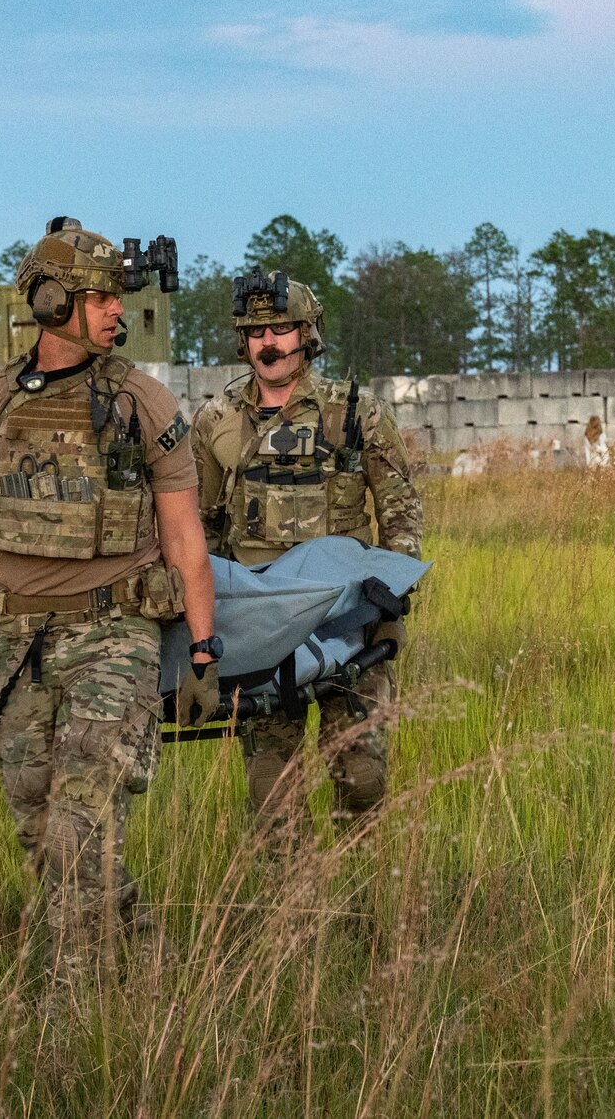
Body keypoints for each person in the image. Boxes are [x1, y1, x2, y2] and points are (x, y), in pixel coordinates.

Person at [0, 217, 219, 983]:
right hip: (18, 640)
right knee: (38, 822)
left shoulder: (145, 405)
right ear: (53, 297)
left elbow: (186, 538)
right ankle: (145, 954)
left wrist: (202, 652)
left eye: (116, 300)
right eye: (100, 298)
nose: (115, 313)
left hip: (113, 634)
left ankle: (72, 1014)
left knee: (81, 829)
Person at [189, 270, 421, 830]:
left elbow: (401, 515)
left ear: (307, 333)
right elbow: (200, 532)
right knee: (273, 797)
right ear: (242, 340)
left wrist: (393, 607)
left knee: (361, 778)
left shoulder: (357, 415)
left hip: (347, 620)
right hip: (261, 624)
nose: (269, 342)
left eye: (283, 328)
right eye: (256, 331)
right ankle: (291, 910)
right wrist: (204, 633)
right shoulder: (215, 423)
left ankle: (361, 898)